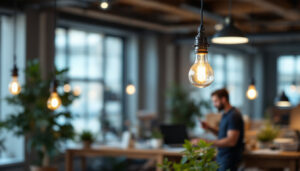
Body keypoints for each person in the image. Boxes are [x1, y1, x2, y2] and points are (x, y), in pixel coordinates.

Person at [192, 88, 244, 171]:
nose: (214, 104)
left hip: (229, 159)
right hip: (221, 157)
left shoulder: (233, 116)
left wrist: (206, 142)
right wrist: (209, 127)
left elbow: (231, 141)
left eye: (215, 101)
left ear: (223, 99)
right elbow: (222, 134)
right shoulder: (226, 114)